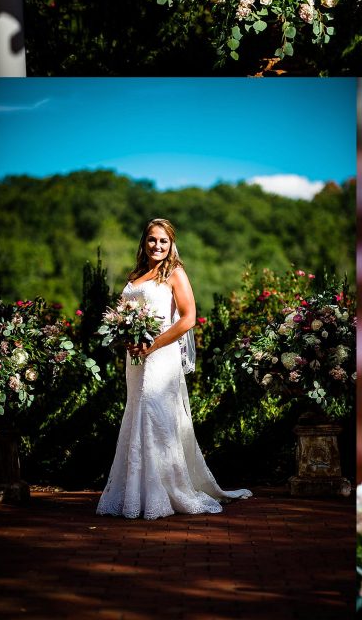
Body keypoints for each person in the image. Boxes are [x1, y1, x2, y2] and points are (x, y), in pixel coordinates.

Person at [97, 218, 252, 519]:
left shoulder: (175, 273)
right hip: (136, 358)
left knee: (156, 416)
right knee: (136, 413)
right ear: (144, 242)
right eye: (152, 240)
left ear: (171, 244)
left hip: (161, 355)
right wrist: (125, 335)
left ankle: (164, 491)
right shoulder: (137, 275)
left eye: (163, 241)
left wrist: (152, 343)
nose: (157, 246)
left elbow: (188, 318)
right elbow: (124, 313)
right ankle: (135, 492)